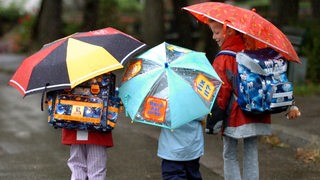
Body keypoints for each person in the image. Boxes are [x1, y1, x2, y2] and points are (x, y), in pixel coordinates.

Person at [208, 19, 272, 180]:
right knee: (251, 152)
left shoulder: (223, 58)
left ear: (228, 31)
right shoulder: (253, 51)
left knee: (229, 153)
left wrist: (213, 121)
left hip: (235, 115)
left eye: (216, 32)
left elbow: (220, 93)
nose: (213, 37)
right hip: (257, 111)